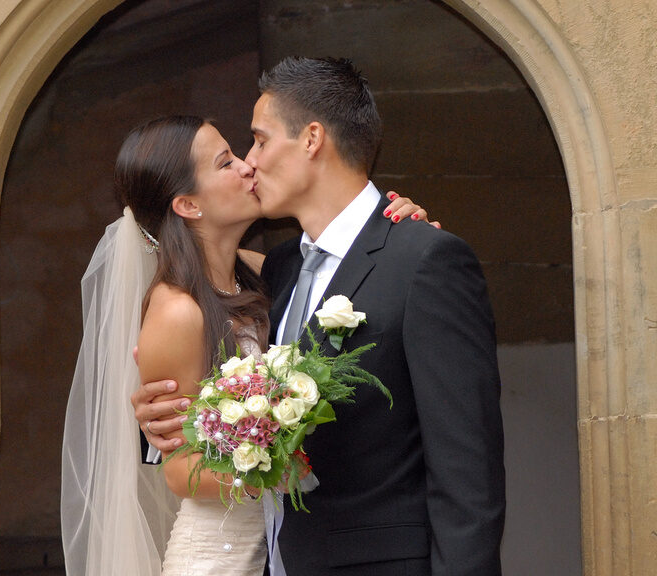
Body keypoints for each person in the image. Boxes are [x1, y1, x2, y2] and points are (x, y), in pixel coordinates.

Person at [135, 57, 505, 576]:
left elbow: (469, 471)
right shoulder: (279, 269)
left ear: (311, 139)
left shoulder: (424, 260)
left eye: (259, 140)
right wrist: (162, 427)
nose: (249, 162)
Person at [61, 114, 431, 575]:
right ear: (188, 205)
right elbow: (179, 472)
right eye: (225, 162)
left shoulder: (269, 269)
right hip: (219, 557)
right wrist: (276, 462)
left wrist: (402, 230)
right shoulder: (177, 311)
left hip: (278, 549)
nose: (247, 165)